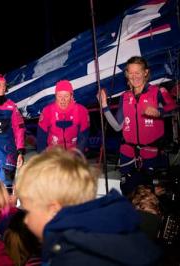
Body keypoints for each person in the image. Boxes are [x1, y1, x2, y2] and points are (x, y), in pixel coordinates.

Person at [15, 147, 161, 265]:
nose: (26, 220)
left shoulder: (72, 255)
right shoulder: (104, 236)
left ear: (53, 211)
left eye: (28, 211)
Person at [98, 56, 177, 195]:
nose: (134, 77)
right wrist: (104, 106)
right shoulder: (125, 96)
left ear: (145, 72)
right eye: (131, 73)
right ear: (127, 74)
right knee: (129, 194)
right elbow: (117, 126)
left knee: (152, 196)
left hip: (152, 155)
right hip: (127, 155)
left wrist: (159, 112)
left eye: (138, 72)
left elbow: (174, 108)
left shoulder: (158, 91)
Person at [37, 80, 89, 153]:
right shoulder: (47, 111)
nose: (63, 100)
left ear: (71, 96)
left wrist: (78, 157)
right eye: (59, 96)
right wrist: (42, 159)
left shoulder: (81, 111)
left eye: (66, 96)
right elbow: (41, 138)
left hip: (73, 154)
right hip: (53, 154)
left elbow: (83, 138)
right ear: (55, 96)